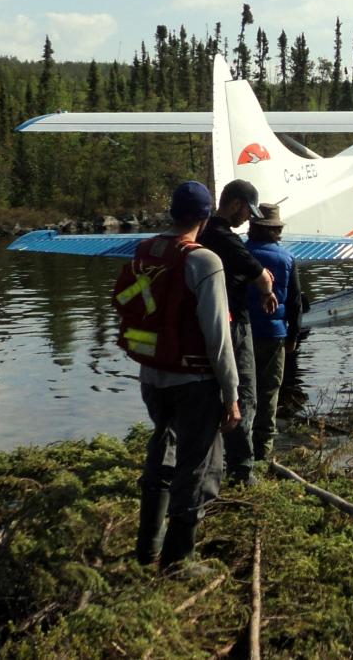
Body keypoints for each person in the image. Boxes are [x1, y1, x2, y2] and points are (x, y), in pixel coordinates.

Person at [127, 181, 241, 569]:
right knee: (199, 467)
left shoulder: (147, 251)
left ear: (173, 213)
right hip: (195, 382)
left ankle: (147, 550)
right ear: (206, 217)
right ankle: (178, 560)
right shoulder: (204, 260)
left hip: (152, 377)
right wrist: (232, 393)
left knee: (163, 450)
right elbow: (217, 336)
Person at [197, 179, 278, 483]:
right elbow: (263, 277)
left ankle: (213, 464)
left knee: (214, 394)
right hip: (234, 325)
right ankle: (243, 471)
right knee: (244, 394)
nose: (247, 218)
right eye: (247, 211)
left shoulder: (200, 233)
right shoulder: (226, 239)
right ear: (235, 204)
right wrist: (267, 292)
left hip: (203, 325)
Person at [243, 203, 303, 468]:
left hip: (239, 333)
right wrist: (293, 335)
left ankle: (238, 451)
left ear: (252, 227)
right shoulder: (287, 259)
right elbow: (295, 303)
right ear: (277, 231)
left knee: (241, 390)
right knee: (268, 392)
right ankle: (263, 453)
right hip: (274, 334)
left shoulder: (239, 254)